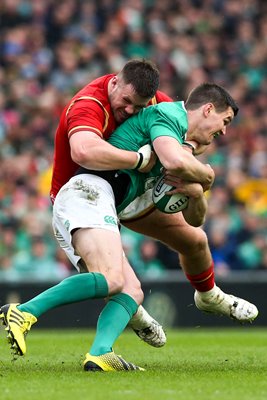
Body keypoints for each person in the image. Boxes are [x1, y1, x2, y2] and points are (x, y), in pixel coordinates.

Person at [1, 83, 258, 372]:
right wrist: (207, 175)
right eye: (225, 121)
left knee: (131, 291)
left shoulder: (181, 140)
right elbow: (173, 160)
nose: (224, 132)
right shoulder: (170, 116)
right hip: (88, 190)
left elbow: (196, 220)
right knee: (110, 279)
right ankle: (23, 312)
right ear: (208, 109)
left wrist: (197, 191)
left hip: (103, 200)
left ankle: (100, 353)